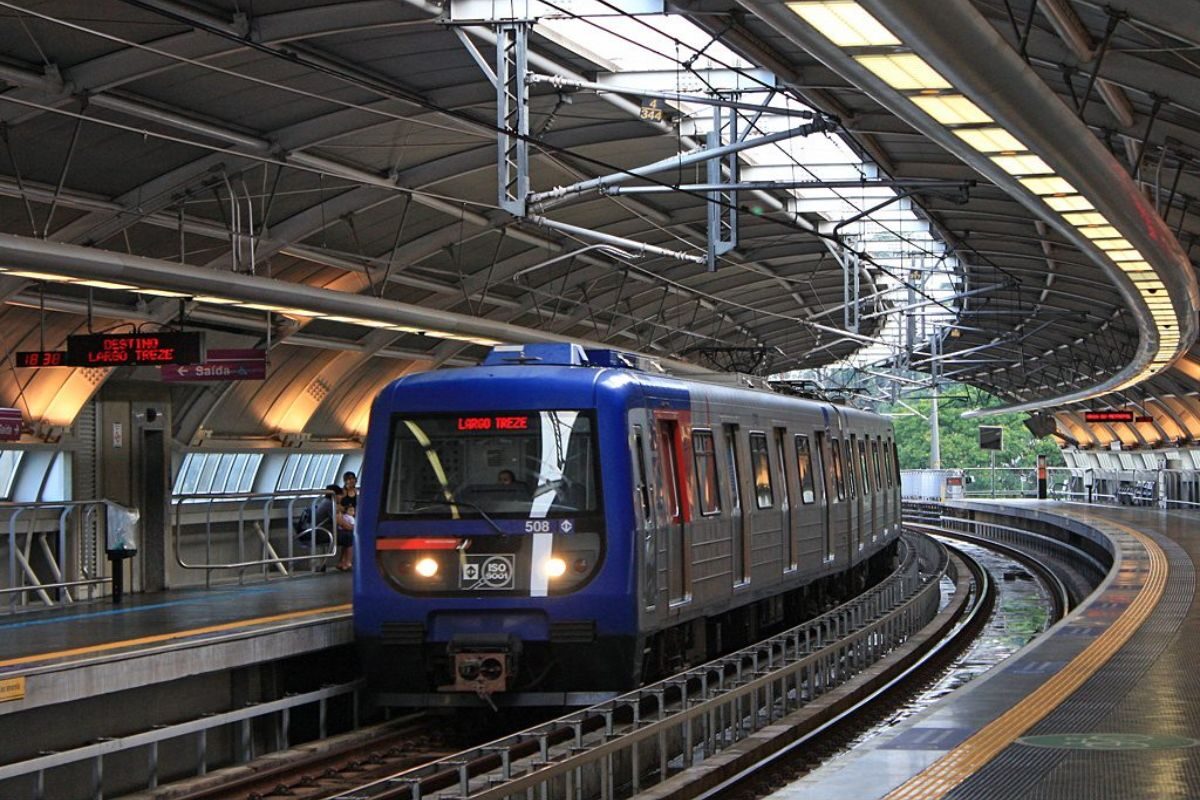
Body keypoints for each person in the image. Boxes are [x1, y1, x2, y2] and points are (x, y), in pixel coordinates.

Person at [336, 472, 358, 571]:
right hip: (345, 516)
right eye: (348, 479)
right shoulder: (342, 492)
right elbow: (338, 505)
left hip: (353, 516)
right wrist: (346, 510)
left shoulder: (356, 492)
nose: (350, 481)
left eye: (352, 479)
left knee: (348, 538)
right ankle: (345, 561)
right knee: (348, 536)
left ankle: (343, 561)